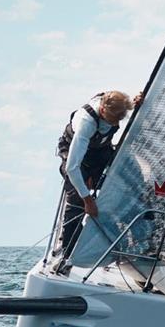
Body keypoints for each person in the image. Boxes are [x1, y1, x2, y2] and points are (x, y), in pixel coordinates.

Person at [56, 90, 142, 264]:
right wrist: (87, 199)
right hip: (77, 156)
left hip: (101, 151)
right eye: (113, 120)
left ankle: (135, 242)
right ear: (102, 111)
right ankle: (66, 256)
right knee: (76, 200)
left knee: (132, 181)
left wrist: (138, 102)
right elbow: (73, 168)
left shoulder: (117, 107)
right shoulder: (85, 123)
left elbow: (127, 107)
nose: (116, 123)